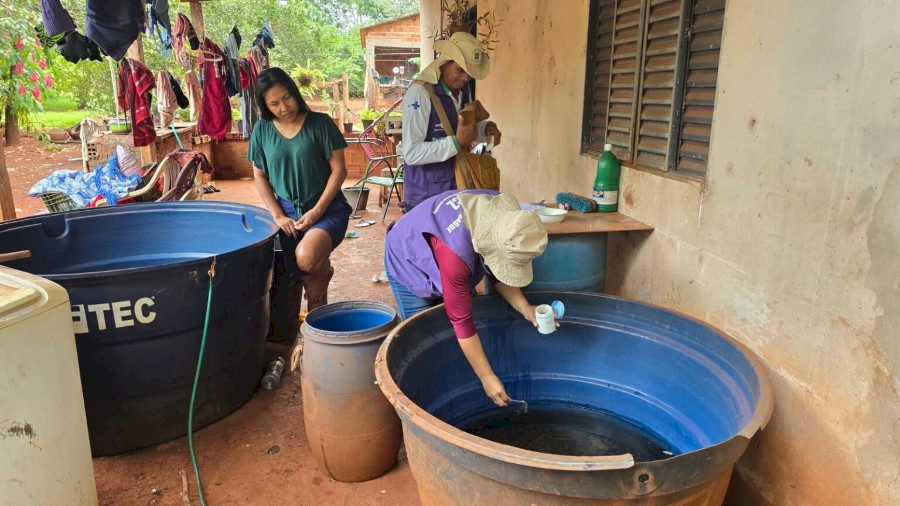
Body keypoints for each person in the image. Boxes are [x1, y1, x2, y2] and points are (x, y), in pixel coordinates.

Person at [383, 189, 552, 406]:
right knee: (423, 340)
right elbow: (461, 321)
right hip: (407, 255)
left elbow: (496, 270)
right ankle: (427, 403)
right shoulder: (456, 258)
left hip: (444, 248)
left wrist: (525, 307)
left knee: (460, 334)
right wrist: (486, 377)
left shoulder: (504, 215)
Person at [248, 67, 353, 312]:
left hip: (326, 209)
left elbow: (339, 171)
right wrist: (277, 215)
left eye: (287, 98)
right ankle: (318, 324)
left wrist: (316, 212)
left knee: (307, 258)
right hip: (286, 214)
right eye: (274, 103)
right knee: (303, 277)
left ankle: (324, 271)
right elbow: (259, 175)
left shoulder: (321, 123)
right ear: (265, 105)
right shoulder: (262, 130)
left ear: (295, 92)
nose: (283, 108)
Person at [400, 32, 503, 211]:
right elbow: (411, 153)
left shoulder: (463, 91)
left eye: (469, 73)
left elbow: (462, 128)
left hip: (456, 191)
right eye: (460, 70)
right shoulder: (420, 94)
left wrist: (484, 128)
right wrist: (456, 143)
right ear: (445, 62)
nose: (465, 78)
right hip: (426, 199)